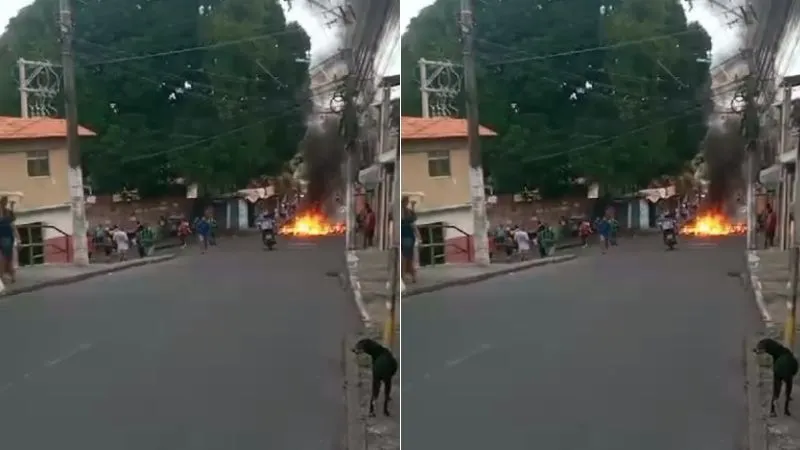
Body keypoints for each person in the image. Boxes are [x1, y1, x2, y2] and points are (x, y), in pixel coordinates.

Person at [400, 196, 418, 284]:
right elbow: (412, 219)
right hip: (406, 236)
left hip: (406, 236)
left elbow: (413, 219)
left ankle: (406, 276)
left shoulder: (406, 211)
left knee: (406, 257)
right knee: (407, 257)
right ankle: (409, 276)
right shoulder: (404, 211)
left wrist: (413, 207)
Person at [0, 196, 16, 284]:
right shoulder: (5, 212)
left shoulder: (7, 212)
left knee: (7, 258)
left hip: (6, 236)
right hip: (5, 236)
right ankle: (3, 277)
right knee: (3, 258)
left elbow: (12, 221)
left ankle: (10, 275)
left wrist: (12, 207)